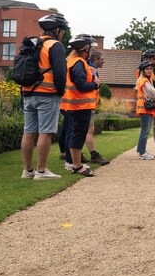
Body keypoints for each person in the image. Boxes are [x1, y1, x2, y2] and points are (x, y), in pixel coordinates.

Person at [21, 13, 68, 180]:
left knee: (28, 132)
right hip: (47, 95)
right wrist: (60, 92)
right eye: (62, 30)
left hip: (28, 93)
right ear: (56, 30)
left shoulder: (33, 44)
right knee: (45, 132)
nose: (62, 33)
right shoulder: (55, 46)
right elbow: (61, 73)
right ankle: (41, 171)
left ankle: (27, 171)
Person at [61, 34, 100, 176]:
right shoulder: (78, 63)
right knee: (77, 135)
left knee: (74, 134)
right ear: (85, 49)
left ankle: (74, 163)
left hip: (75, 105)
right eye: (90, 48)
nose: (90, 51)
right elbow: (81, 85)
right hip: (80, 106)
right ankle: (76, 166)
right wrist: (94, 85)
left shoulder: (72, 61)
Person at [85, 49, 110, 165]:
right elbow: (95, 83)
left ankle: (74, 156)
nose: (103, 61)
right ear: (95, 60)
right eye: (102, 59)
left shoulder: (90, 69)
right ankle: (93, 155)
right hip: (86, 104)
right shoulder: (91, 70)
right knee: (89, 130)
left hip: (87, 103)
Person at [135, 61, 155, 160]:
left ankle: (142, 151)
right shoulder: (144, 81)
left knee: (144, 131)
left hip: (145, 108)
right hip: (145, 108)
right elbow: (153, 93)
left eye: (150, 69)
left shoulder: (143, 80)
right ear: (143, 70)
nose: (149, 70)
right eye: (147, 69)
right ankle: (142, 152)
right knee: (145, 131)